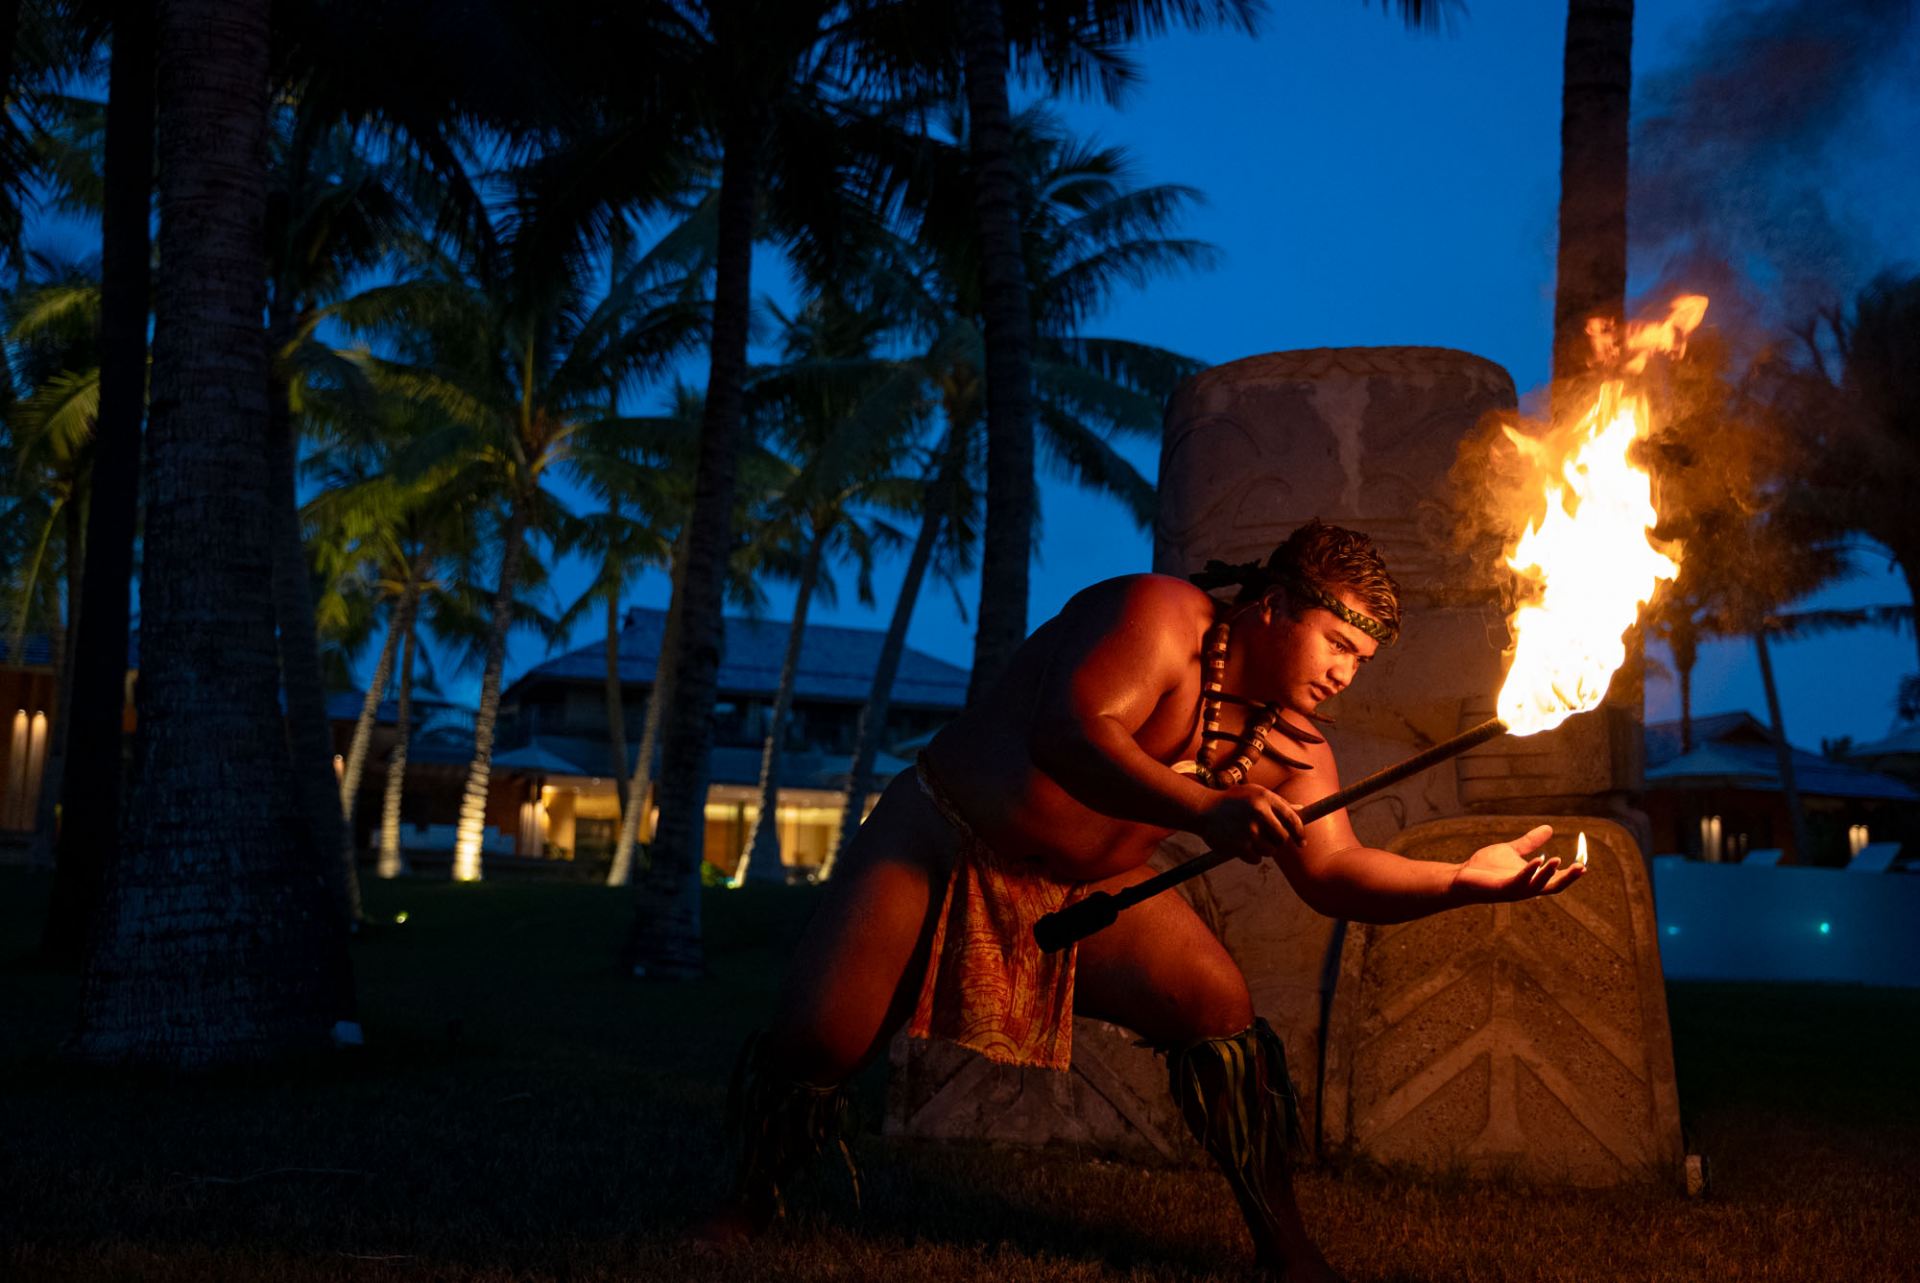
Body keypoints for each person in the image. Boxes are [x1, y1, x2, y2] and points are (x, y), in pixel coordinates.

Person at [711, 520, 1585, 1280]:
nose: (1345, 674)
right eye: (1337, 643)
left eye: (1360, 659)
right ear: (1275, 605)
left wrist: (1464, 882)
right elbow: (1072, 732)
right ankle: (746, 1209)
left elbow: (1334, 873)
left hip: (1084, 884)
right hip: (941, 837)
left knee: (1218, 1004)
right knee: (819, 1038)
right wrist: (1208, 806)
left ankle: (1288, 1249)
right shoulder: (1158, 617)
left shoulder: (1291, 750)